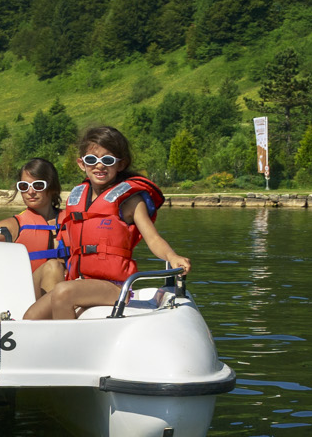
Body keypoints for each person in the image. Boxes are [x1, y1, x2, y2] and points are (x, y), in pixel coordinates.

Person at [22, 125, 189, 320]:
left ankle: (68, 348)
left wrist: (172, 256)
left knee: (63, 292)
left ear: (121, 164)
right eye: (92, 159)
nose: (99, 166)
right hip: (81, 281)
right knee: (31, 316)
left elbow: (153, 239)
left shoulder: (130, 201)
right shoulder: (78, 197)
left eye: (107, 160)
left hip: (115, 287)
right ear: (81, 163)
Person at [0, 157, 68, 298]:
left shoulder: (72, 221)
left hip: (69, 290)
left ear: (52, 187)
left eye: (38, 186)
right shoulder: (11, 226)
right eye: (24, 186)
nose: (30, 192)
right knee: (53, 267)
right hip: (27, 293)